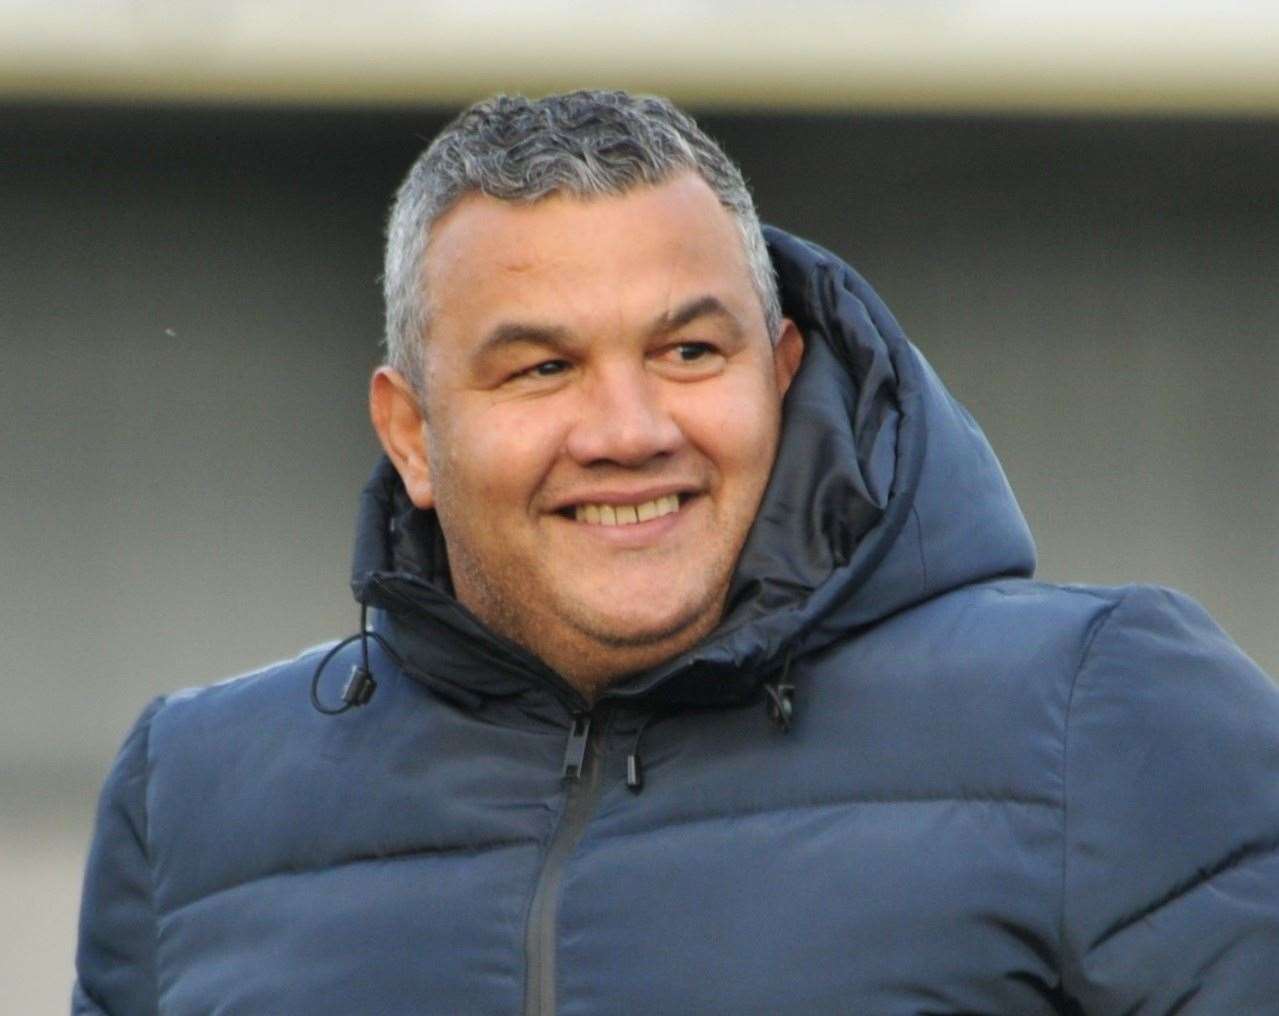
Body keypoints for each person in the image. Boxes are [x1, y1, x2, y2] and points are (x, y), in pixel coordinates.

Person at [74, 90, 1279, 1015]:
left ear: (781, 371)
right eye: (541, 368)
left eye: (690, 352)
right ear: (412, 434)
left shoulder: (1096, 711)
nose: (630, 432)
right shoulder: (191, 798)